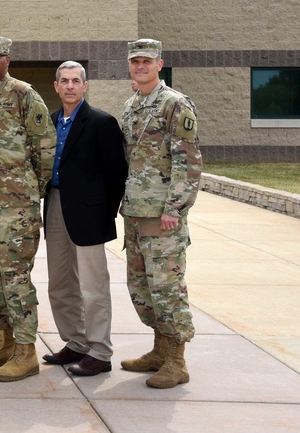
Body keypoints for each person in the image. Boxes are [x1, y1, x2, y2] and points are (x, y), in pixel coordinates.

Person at [0, 35, 56, 382]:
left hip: (15, 207)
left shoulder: (23, 94)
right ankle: (2, 341)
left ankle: (26, 350)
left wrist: (30, 191)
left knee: (16, 279)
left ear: (7, 59)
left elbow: (44, 146)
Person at [120, 38, 201, 389]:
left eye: (147, 61)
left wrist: (175, 208)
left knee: (167, 288)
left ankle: (177, 360)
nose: (140, 66)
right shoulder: (132, 105)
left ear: (159, 64)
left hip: (163, 216)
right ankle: (159, 348)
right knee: (141, 287)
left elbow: (188, 161)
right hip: (136, 213)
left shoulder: (174, 104)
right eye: (135, 61)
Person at [41, 61, 127, 377]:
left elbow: (117, 173)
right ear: (56, 86)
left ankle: (100, 352)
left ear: (85, 86)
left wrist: (107, 209)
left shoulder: (102, 123)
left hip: (90, 211)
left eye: (76, 80)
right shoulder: (50, 122)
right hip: (55, 205)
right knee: (60, 283)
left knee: (93, 286)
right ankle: (75, 342)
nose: (70, 86)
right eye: (64, 81)